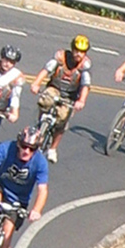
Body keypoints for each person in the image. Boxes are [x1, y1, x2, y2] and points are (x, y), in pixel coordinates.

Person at [30, 35, 92, 163]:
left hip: (70, 96)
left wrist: (82, 101)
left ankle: (53, 148)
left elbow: (86, 85)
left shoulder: (85, 66)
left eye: (82, 52)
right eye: (76, 50)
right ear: (72, 49)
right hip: (54, 88)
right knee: (45, 100)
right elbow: (46, 70)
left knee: (62, 121)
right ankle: (40, 126)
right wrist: (36, 83)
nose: (78, 54)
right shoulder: (60, 57)